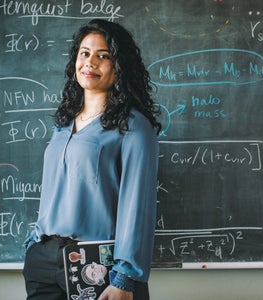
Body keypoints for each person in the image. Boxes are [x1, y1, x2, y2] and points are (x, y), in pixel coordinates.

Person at [22, 19, 161, 300]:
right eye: (84, 53)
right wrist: (33, 245)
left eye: (103, 56)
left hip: (98, 264)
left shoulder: (133, 127)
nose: (90, 62)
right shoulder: (62, 125)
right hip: (44, 259)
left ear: (119, 66)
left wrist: (124, 277)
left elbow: (137, 206)